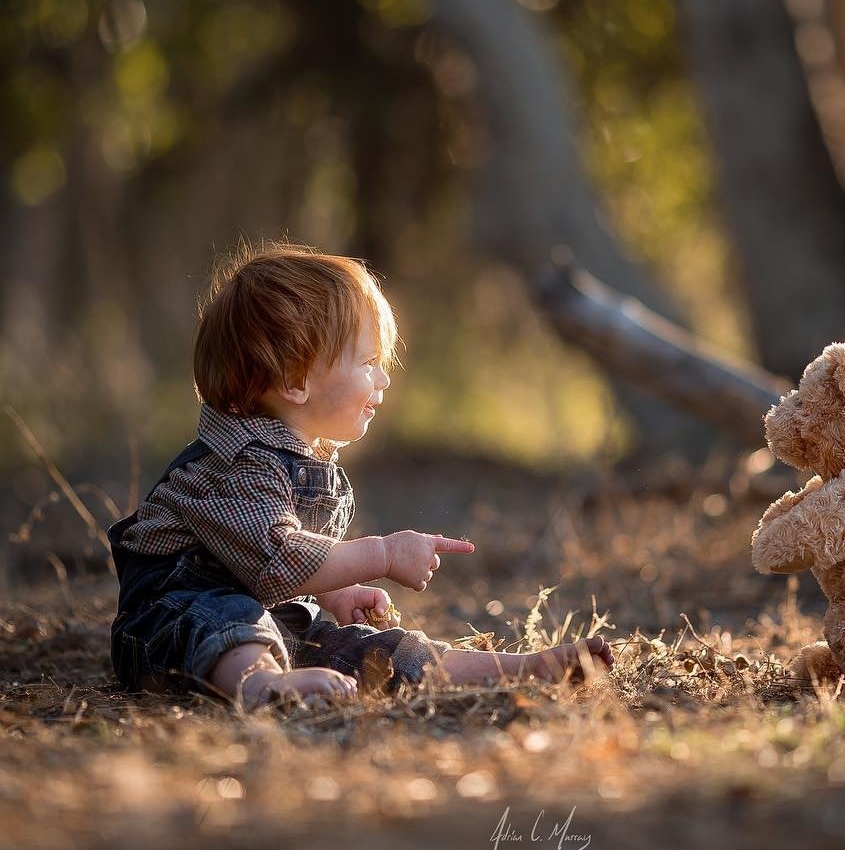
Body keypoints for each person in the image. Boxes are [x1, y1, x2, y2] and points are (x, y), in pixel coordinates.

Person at [108, 239, 613, 712]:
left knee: (375, 651)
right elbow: (279, 560)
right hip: (169, 626)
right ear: (294, 381)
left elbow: (281, 558)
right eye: (368, 362)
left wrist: (334, 594)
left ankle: (519, 669)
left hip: (274, 624)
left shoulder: (301, 457)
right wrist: (383, 554)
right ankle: (261, 687)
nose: (384, 377)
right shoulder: (239, 465)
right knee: (230, 620)